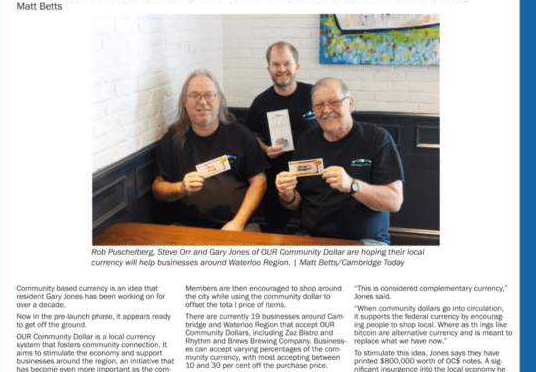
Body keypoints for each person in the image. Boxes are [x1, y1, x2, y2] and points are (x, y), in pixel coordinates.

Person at [275, 77, 404, 244]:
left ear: (350, 103)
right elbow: (294, 203)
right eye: (319, 105)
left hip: (366, 241)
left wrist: (352, 185)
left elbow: (394, 202)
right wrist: (287, 194)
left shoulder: (377, 138)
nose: (326, 110)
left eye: (334, 102)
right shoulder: (306, 142)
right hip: (311, 237)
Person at [153, 70, 268, 232]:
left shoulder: (241, 134)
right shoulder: (172, 139)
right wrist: (181, 188)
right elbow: (158, 188)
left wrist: (238, 222)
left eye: (209, 95)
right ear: (184, 102)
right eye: (194, 96)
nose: (202, 101)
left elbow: (259, 181)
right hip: (187, 227)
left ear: (219, 99)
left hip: (240, 225)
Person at [244, 42, 318, 232]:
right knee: (276, 229)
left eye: (287, 63)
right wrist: (266, 148)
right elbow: (249, 134)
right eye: (276, 64)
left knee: (315, 227)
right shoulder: (261, 102)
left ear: (297, 67)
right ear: (269, 68)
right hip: (277, 176)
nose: (282, 69)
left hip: (313, 174)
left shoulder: (314, 95)